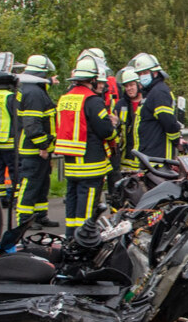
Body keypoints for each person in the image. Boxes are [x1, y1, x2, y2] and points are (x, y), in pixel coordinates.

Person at [54, 56, 116, 238]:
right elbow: (105, 130)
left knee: (72, 208)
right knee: (87, 210)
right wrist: (114, 128)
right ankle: (83, 242)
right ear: (93, 79)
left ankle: (70, 238)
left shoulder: (65, 99)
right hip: (90, 164)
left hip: (71, 164)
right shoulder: (92, 101)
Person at [16, 54, 59, 228]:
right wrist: (43, 145)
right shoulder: (34, 93)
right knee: (31, 183)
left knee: (41, 183)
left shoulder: (31, 89)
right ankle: (25, 219)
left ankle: (40, 215)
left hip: (38, 148)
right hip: (34, 149)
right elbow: (32, 125)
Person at [132, 52, 181, 160]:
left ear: (155, 73)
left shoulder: (159, 92)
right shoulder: (151, 92)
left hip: (158, 157)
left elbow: (167, 120)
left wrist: (176, 140)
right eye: (139, 74)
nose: (142, 76)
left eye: (145, 72)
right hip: (150, 153)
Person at [114, 67, 143, 175]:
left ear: (139, 85)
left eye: (132, 85)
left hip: (143, 157)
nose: (129, 88)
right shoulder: (121, 105)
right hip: (125, 158)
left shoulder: (147, 103)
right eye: (126, 86)